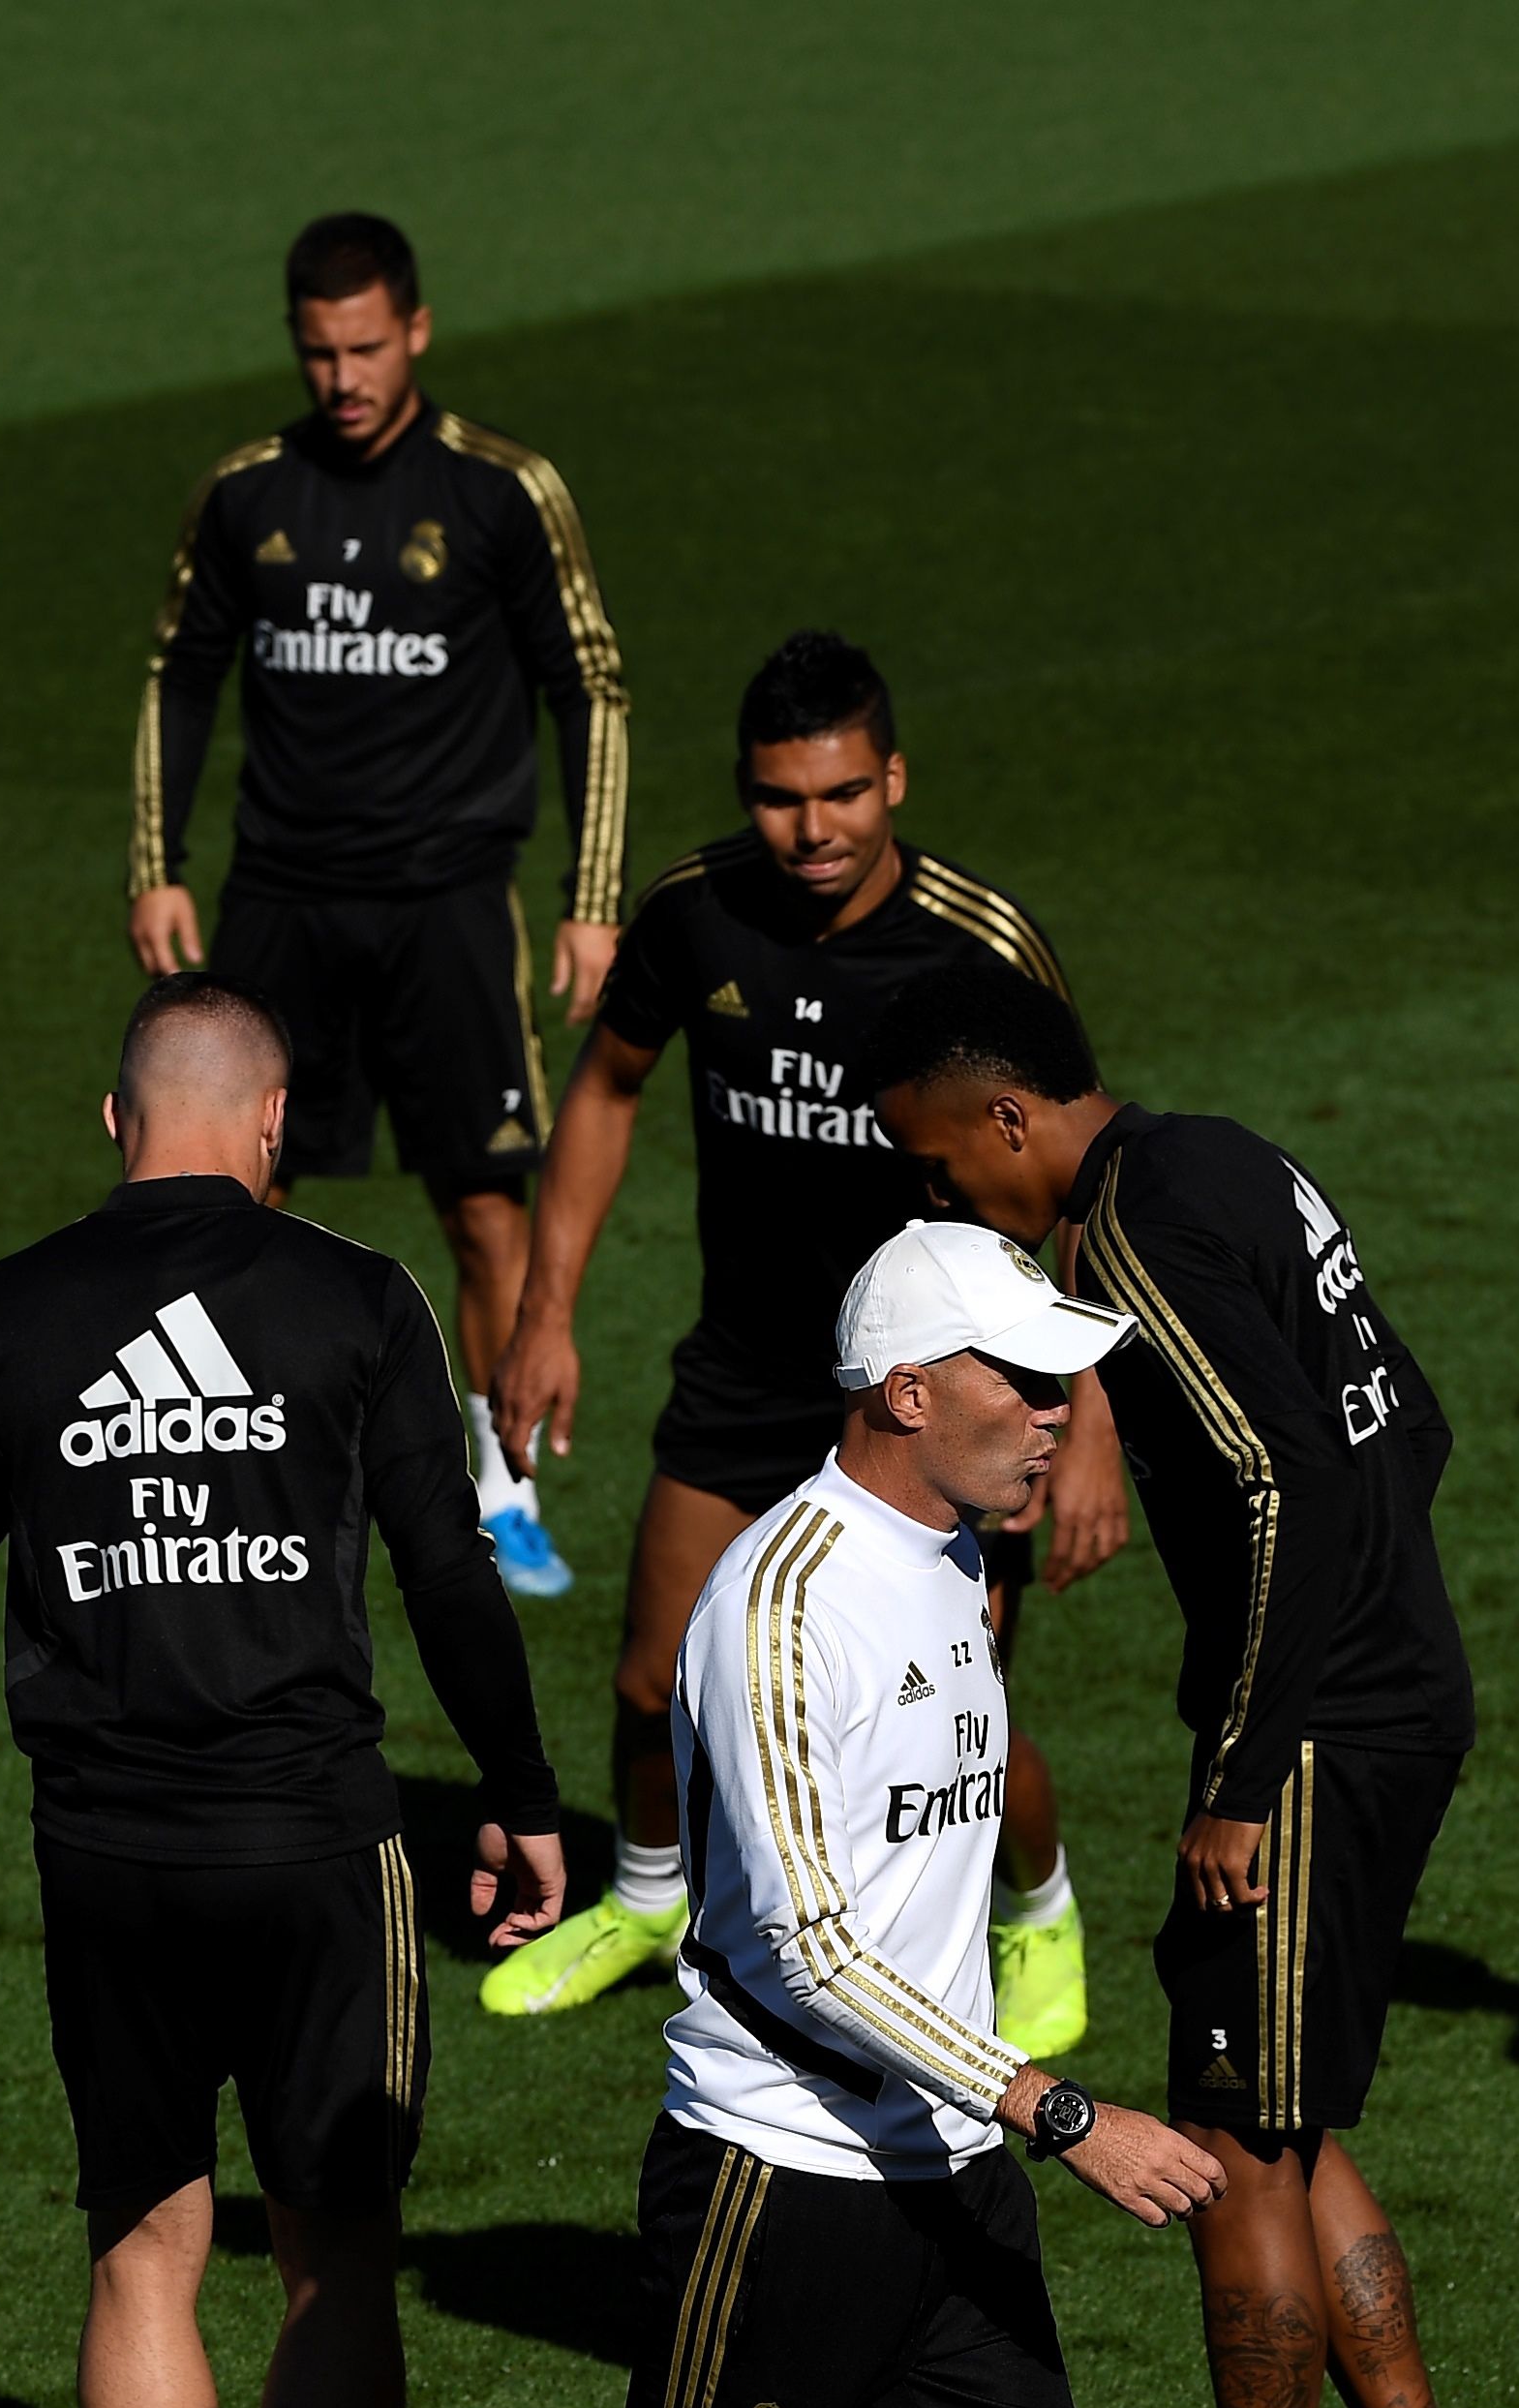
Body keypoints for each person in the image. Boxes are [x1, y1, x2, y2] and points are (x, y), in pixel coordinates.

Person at [468, 1219, 1450, 2408]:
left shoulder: (951, 1564)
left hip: (942, 2195)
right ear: (907, 1394)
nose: (1064, 1413)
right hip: (784, 2194)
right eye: (1026, 1381)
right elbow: (800, 1949)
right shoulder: (778, 1601)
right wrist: (1058, 2112)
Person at [0, 975, 569, 2408]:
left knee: (142, 2252)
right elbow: (451, 1569)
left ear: (114, 1123)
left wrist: (39, 1471)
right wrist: (524, 1791)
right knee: (338, 2262)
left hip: (106, 1861)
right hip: (318, 1852)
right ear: (277, 1120)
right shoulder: (361, 1296)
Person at [868, 968, 1519, 2408]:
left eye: (944, 1168)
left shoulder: (1138, 1224)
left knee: (1231, 2144)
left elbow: (1285, 1482)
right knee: (1294, 2134)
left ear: (1010, 1121)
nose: (949, 1203)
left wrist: (1242, 1766)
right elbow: (1413, 1422)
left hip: (1306, 1736)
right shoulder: (1233, 1161)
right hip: (1390, 1693)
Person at [478, 630, 1119, 2059]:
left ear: (892, 777)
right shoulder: (695, 914)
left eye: (841, 793)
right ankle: (648, 1900)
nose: (812, 829)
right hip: (745, 1367)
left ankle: (1038, 1910)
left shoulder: (978, 940)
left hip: (931, 1400)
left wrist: (1088, 1423)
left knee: (960, 1711)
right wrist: (545, 1316)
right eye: (780, 797)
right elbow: (606, 1087)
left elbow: (1081, 1171)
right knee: (655, 1677)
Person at [129, 209, 629, 1600]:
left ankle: (503, 1487)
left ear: (416, 330)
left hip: (449, 907)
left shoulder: (501, 492)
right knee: (237, 1192)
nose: (342, 379)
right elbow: (180, 673)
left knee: (482, 1206)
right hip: (282, 901)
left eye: (365, 348)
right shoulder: (246, 494)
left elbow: (589, 683)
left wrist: (591, 902)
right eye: (317, 354)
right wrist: (155, 867)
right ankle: (238, 1467)